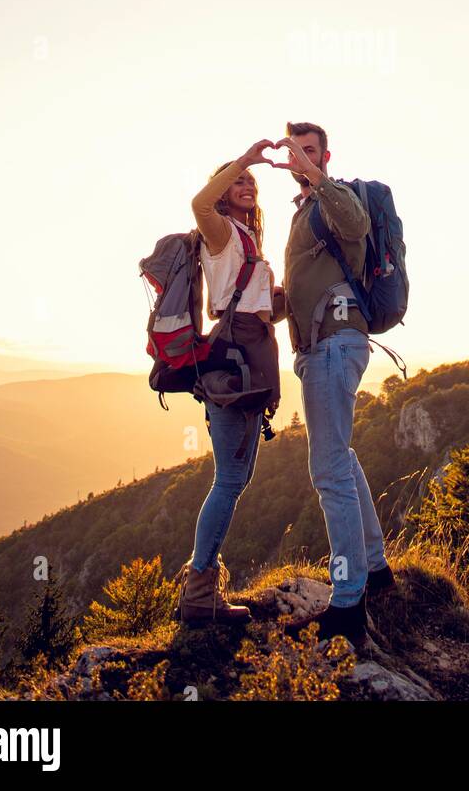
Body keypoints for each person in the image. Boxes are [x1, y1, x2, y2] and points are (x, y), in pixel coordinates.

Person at [276, 121, 393, 643]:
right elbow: (303, 288)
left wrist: (317, 178)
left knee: (327, 472)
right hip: (322, 346)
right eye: (293, 151)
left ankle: (348, 602)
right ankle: (376, 568)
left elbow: (356, 222)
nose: (299, 159)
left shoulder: (334, 198)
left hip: (332, 345)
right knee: (341, 458)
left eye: (309, 152)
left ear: (325, 156)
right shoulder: (304, 213)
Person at [175, 138, 285, 626]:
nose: (247, 185)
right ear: (223, 191)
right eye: (238, 181)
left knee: (236, 479)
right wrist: (245, 158)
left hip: (253, 355)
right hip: (236, 359)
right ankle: (200, 588)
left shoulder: (245, 238)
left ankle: (203, 584)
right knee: (229, 479)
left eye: (252, 182)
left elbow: (257, 306)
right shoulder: (218, 230)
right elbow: (198, 202)